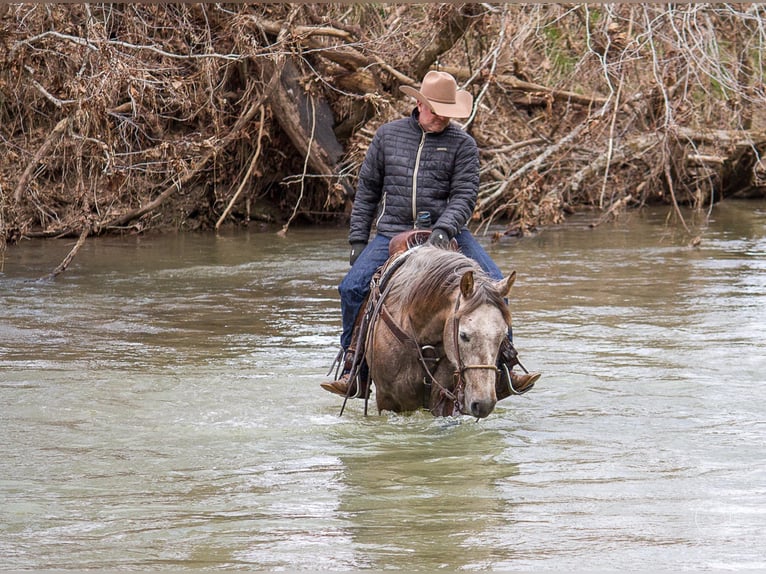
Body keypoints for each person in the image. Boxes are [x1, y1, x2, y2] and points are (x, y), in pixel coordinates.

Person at [321, 70, 540, 399]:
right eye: (436, 110)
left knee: (495, 284)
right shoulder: (387, 136)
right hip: (392, 231)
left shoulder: (463, 145)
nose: (442, 118)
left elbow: (464, 197)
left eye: (447, 112)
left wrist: (443, 230)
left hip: (448, 232)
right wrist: (357, 240)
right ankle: (355, 370)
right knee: (351, 287)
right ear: (419, 103)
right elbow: (367, 191)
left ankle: (506, 368)